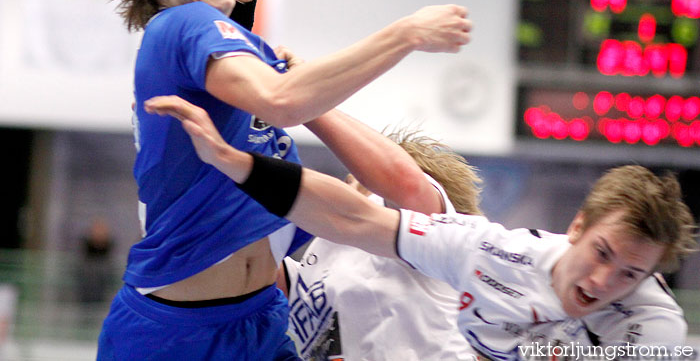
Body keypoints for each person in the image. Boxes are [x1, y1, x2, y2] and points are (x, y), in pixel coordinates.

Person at [97, 0, 471, 361]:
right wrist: (406, 33)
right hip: (177, 335)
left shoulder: (210, 48)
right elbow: (281, 100)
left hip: (261, 318)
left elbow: (240, 44)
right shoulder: (180, 24)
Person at [144, 95, 698, 360]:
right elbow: (359, 213)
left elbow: (404, 188)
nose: (605, 280)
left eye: (629, 272)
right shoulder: (482, 251)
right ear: (577, 229)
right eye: (603, 255)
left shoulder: (651, 323)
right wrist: (239, 155)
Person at [282, 109, 482, 360]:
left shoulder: (434, 240)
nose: (346, 183)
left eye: (359, 179)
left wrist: (303, 106)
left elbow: (406, 184)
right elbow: (247, 271)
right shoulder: (320, 265)